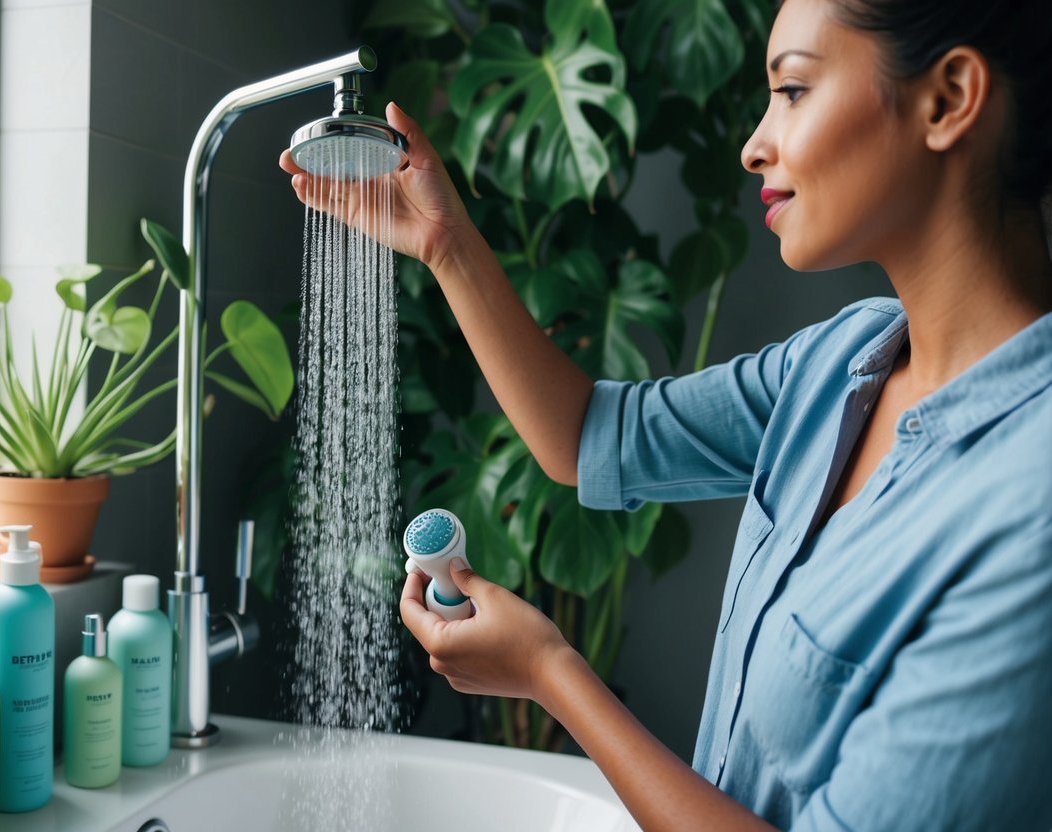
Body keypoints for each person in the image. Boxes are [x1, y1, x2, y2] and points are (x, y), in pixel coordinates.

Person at [281, 0, 1052, 827]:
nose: (754, 143)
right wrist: (445, 243)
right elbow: (586, 437)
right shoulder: (842, 365)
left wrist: (549, 672)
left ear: (947, 99)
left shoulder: (1028, 501)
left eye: (790, 90)